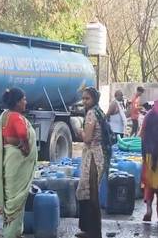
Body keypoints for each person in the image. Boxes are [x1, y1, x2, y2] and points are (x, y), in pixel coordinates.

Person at [0, 87, 38, 238]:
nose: (26, 102)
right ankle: (13, 234)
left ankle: (10, 231)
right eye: (24, 99)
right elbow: (22, 133)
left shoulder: (4, 116)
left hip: (8, 160)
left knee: (10, 198)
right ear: (17, 102)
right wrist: (24, 146)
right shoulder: (16, 117)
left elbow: (8, 138)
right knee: (17, 199)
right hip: (16, 162)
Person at [76, 87, 110, 238]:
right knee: (89, 192)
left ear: (94, 99)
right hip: (99, 155)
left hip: (93, 158)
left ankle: (94, 232)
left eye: (87, 99)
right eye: (83, 99)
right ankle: (90, 229)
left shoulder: (91, 114)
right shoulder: (99, 111)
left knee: (91, 193)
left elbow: (87, 138)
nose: (84, 102)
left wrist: (79, 131)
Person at [140, 100, 158, 222]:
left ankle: (148, 209)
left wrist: (144, 155)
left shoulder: (149, 115)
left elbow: (142, 135)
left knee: (148, 185)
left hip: (149, 156)